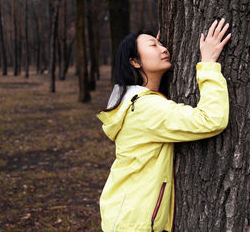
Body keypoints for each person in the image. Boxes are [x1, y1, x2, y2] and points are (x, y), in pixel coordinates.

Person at [97, 18, 231, 232]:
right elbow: (211, 120)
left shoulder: (131, 101)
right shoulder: (145, 109)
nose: (163, 48)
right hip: (136, 222)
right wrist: (208, 64)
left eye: (161, 43)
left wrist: (150, 47)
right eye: (153, 46)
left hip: (126, 215)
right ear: (135, 61)